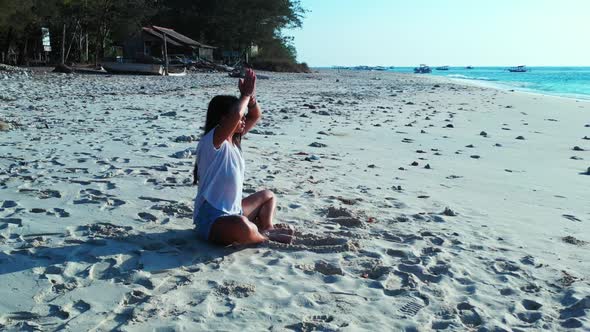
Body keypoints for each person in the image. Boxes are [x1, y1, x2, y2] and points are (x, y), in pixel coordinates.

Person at [192, 68, 293, 245]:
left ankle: (266, 227)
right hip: (212, 220)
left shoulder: (234, 140)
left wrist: (251, 98)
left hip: (234, 211)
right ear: (224, 118)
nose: (243, 119)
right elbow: (237, 114)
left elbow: (255, 115)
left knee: (268, 195)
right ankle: (264, 237)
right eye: (239, 117)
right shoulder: (213, 141)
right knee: (242, 225)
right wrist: (244, 95)